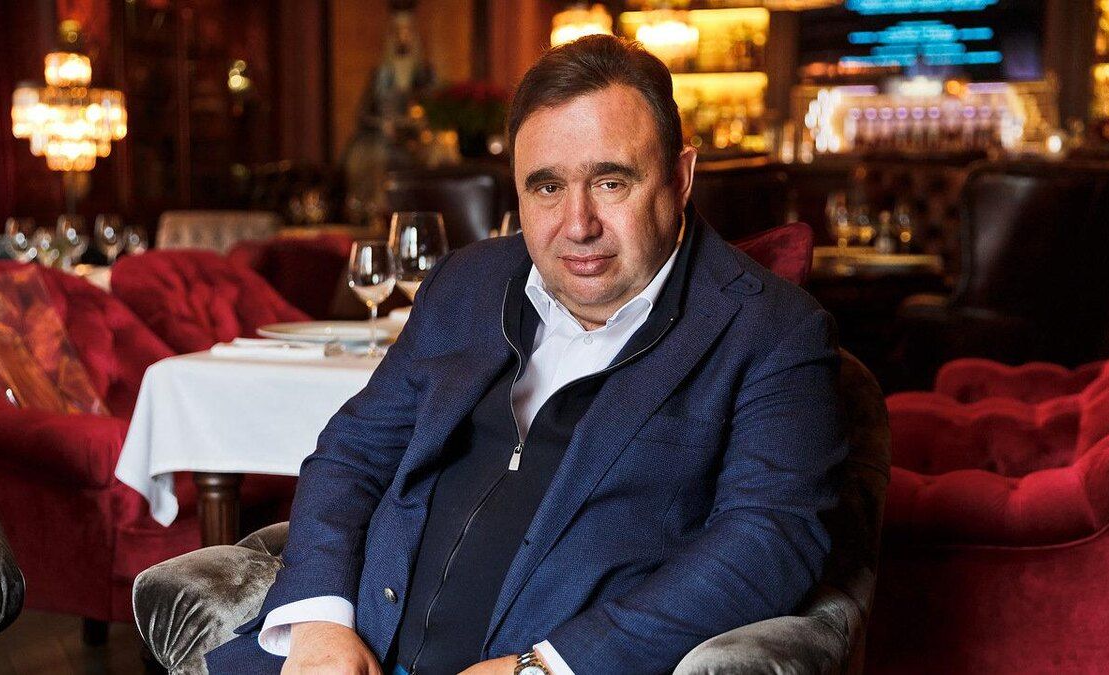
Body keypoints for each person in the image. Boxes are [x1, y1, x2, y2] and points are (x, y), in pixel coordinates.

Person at [207, 34, 847, 675]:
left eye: (611, 182)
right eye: (546, 188)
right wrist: (321, 621)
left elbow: (769, 539)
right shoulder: (468, 282)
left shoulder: (771, 329)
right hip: (358, 652)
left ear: (680, 179)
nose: (578, 224)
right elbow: (353, 452)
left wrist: (544, 668)